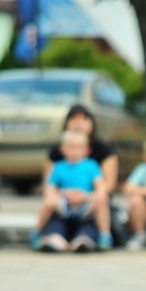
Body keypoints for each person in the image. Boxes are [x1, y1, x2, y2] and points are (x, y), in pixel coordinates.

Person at [37, 104, 119, 251]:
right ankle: (47, 236)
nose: (79, 123)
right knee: (52, 209)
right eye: (74, 119)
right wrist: (64, 195)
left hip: (89, 203)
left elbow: (107, 185)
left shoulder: (100, 154)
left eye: (84, 119)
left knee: (98, 209)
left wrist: (86, 196)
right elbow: (48, 185)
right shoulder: (57, 156)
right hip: (64, 203)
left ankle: (95, 238)